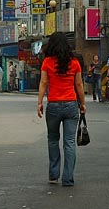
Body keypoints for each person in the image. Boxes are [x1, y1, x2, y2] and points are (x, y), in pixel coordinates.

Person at [37, 32, 86, 187]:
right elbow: (79, 84)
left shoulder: (47, 62)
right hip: (71, 104)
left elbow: (44, 83)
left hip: (53, 106)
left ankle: (53, 174)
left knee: (53, 139)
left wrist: (39, 103)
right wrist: (83, 103)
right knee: (69, 142)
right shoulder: (75, 62)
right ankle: (68, 178)